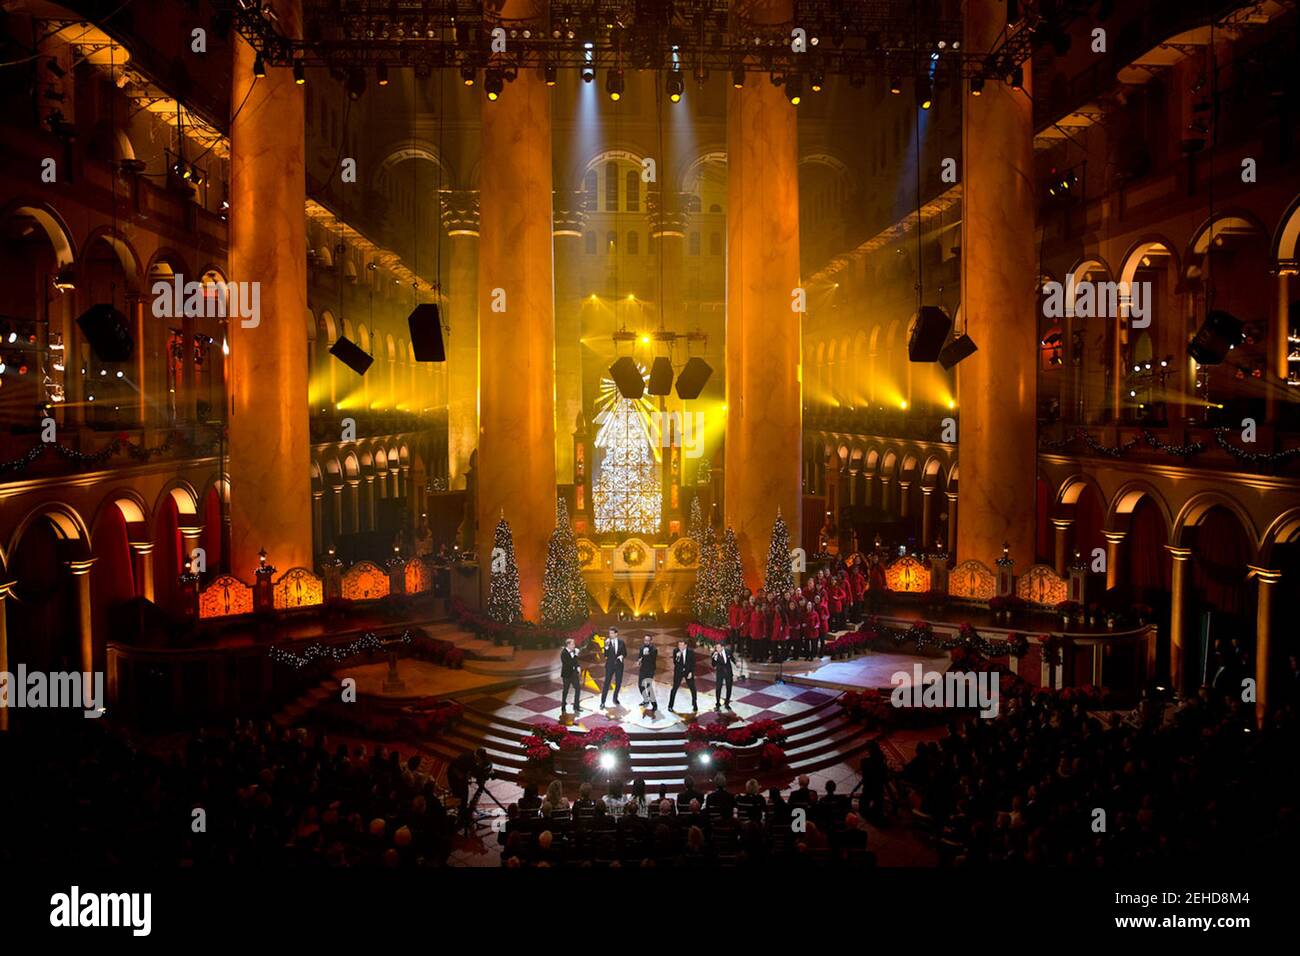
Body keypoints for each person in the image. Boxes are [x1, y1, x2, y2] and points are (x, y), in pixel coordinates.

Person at [668, 639, 698, 712]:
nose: (680, 647)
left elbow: (693, 663)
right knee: (674, 688)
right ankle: (670, 705)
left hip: (688, 671)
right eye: (679, 645)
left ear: (685, 645)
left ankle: (694, 704)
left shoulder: (691, 652)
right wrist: (678, 657)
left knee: (693, 688)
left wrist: (691, 672)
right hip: (679, 672)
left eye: (682, 645)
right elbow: (675, 662)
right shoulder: (676, 651)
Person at [600, 626, 626, 708]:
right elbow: (605, 655)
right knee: (606, 683)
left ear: (616, 634)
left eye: (612, 633)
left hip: (619, 666)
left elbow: (625, 653)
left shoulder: (621, 642)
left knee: (618, 683)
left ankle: (615, 698)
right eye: (609, 633)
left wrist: (621, 656)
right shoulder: (607, 642)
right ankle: (602, 702)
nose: (610, 635)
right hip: (610, 666)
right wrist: (606, 647)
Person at [711, 638, 736, 710]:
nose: (717, 649)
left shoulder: (728, 651)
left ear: (722, 647)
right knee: (718, 688)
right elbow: (713, 665)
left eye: (719, 647)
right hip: (720, 673)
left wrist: (736, 663)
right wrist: (714, 659)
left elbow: (732, 658)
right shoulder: (714, 654)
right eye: (716, 647)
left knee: (729, 688)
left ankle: (727, 703)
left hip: (728, 672)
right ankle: (717, 703)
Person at [559, 638, 582, 713]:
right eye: (572, 644)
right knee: (566, 690)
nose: (574, 645)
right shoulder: (563, 653)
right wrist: (576, 655)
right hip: (567, 675)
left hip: (574, 674)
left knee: (578, 689)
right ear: (568, 645)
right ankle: (563, 706)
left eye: (574, 644)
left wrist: (578, 666)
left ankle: (576, 706)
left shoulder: (574, 651)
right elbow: (569, 663)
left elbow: (575, 661)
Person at [637, 634, 659, 713]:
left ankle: (654, 705)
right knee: (640, 686)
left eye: (648, 640)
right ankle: (646, 700)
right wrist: (639, 661)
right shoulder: (642, 647)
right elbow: (640, 656)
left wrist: (647, 654)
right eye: (645, 640)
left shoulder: (654, 649)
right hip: (643, 669)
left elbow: (652, 660)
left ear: (650, 641)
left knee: (649, 687)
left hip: (650, 670)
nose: (646, 642)